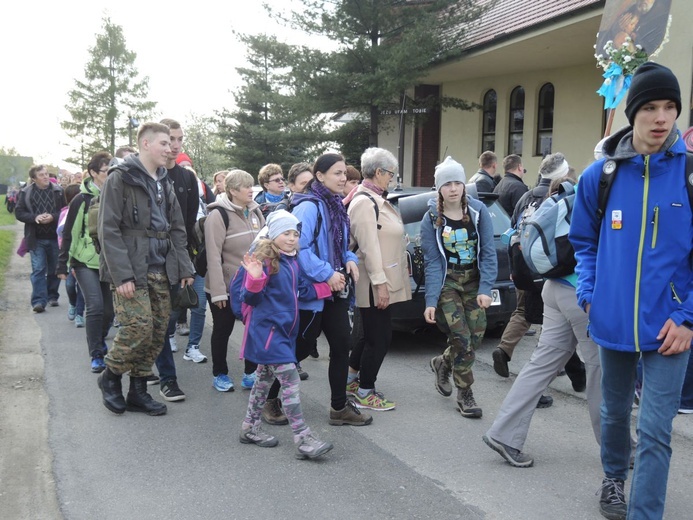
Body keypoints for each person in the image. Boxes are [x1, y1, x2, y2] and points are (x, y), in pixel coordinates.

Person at [569, 62, 693, 520]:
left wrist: (688, 318)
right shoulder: (598, 178)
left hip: (670, 326)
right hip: (613, 317)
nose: (662, 118)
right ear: (632, 112)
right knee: (615, 413)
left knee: (658, 430)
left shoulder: (689, 176)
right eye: (651, 107)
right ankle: (612, 478)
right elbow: (583, 243)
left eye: (670, 107)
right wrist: (589, 292)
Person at [482, 176, 602, 468]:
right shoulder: (597, 203)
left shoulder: (556, 202)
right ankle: (621, 447)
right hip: (581, 295)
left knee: (541, 364)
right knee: (602, 372)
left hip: (553, 288)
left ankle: (505, 433)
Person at [263, 153, 372, 427]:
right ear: (320, 176)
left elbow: (341, 245)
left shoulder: (335, 205)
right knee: (299, 349)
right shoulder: (309, 206)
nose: (343, 177)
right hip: (310, 293)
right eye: (336, 173)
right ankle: (267, 398)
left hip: (333, 291)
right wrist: (327, 273)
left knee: (341, 345)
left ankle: (339, 408)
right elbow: (298, 248)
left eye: (344, 173)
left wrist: (349, 259)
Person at [96, 122, 194, 416]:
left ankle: (137, 391)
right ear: (146, 144)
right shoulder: (120, 178)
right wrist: (121, 274)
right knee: (138, 327)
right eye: (164, 143)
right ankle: (110, 377)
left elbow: (177, 228)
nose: (170, 148)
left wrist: (185, 267)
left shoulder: (164, 180)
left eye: (172, 143)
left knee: (158, 330)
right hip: (132, 269)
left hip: (162, 268)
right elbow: (108, 229)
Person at [237, 210, 334, 459]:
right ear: (274, 234)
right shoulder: (265, 260)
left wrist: (328, 287)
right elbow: (249, 298)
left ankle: (249, 428)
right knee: (290, 380)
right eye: (286, 233)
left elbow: (301, 289)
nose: (292, 238)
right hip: (268, 334)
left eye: (295, 233)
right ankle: (303, 439)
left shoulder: (292, 260)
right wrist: (255, 278)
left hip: (282, 334)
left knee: (262, 382)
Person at [492, 154, 585, 405]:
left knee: (529, 315)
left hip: (524, 269)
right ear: (563, 176)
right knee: (550, 330)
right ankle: (562, 379)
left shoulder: (526, 196)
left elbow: (512, 232)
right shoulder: (560, 199)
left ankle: (506, 350)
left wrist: (515, 267)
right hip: (552, 274)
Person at [424, 157, 497, 418]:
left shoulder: (478, 212)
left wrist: (486, 288)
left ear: (464, 186)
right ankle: (465, 393)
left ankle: (443, 362)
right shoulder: (432, 218)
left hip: (474, 281)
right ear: (439, 188)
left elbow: (488, 253)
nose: (453, 188)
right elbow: (433, 262)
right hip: (449, 284)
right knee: (462, 339)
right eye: (447, 184)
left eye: (458, 183)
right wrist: (431, 301)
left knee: (475, 337)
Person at [347, 147, 411, 411]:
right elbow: (369, 248)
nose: (392, 179)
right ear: (378, 172)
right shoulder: (365, 202)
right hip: (375, 284)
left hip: (381, 280)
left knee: (368, 336)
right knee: (379, 338)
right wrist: (380, 284)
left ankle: (352, 381)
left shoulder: (374, 198)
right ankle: (365, 392)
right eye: (390, 174)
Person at [152, 118, 201, 404]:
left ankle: (164, 374)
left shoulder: (187, 178)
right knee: (156, 321)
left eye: (180, 139)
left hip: (178, 256)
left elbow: (187, 223)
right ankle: (165, 377)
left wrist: (187, 263)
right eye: (170, 138)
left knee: (169, 317)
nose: (175, 145)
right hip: (149, 259)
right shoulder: (145, 176)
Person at [205, 170, 264, 392]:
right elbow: (213, 255)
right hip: (226, 287)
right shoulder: (218, 215)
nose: (251, 190)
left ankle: (250, 373)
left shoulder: (256, 212)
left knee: (252, 329)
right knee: (222, 329)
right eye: (245, 186)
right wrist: (219, 292)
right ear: (232, 191)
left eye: (251, 185)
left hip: (251, 285)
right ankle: (220, 373)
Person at [57, 153, 115, 373]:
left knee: (109, 312)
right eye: (106, 170)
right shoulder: (81, 199)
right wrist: (63, 263)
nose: (110, 174)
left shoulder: (116, 196)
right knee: (95, 306)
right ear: (93, 173)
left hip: (109, 261)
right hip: (83, 261)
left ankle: (98, 340)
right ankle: (97, 354)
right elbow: (69, 232)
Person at [15, 164, 66, 312]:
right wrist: (35, 217)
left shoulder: (59, 191)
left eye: (46, 174)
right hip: (36, 237)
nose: (45, 177)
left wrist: (53, 217)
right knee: (38, 269)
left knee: (54, 268)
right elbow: (19, 212)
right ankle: (38, 301)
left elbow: (64, 211)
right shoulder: (25, 192)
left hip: (55, 237)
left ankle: (52, 296)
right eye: (41, 175)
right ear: (33, 179)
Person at [57, 184, 85, 328]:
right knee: (69, 285)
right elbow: (62, 237)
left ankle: (79, 314)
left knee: (81, 287)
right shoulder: (64, 214)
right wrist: (64, 260)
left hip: (81, 256)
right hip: (69, 256)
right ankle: (72, 304)